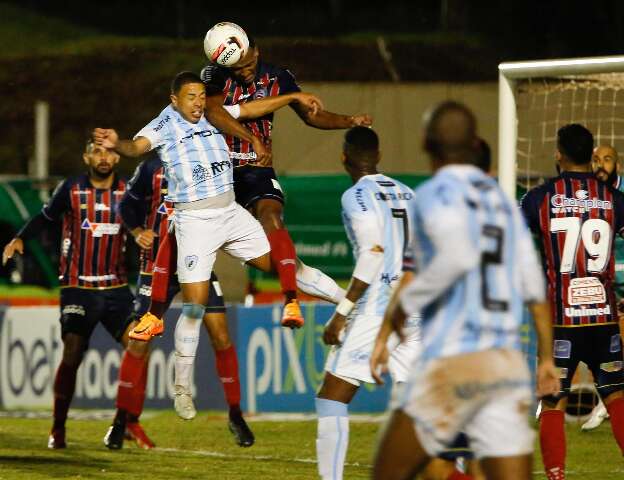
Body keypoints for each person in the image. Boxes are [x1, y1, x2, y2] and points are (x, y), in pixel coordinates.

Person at [103, 91, 325, 449]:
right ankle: (121, 421)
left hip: (198, 255)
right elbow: (128, 205)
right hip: (160, 264)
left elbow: (240, 119)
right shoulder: (151, 167)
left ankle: (235, 415)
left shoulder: (209, 148)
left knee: (221, 335)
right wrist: (137, 230)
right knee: (139, 343)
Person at [369, 101, 559, 480]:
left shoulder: (429, 198)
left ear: (425, 143)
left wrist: (388, 328)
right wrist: (547, 361)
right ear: (474, 144)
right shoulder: (503, 204)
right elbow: (536, 293)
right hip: (504, 365)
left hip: (453, 361)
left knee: (388, 472)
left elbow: (423, 274)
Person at [200, 28, 371, 327]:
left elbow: (311, 114)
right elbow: (216, 113)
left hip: (256, 170)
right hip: (215, 174)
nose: (244, 72)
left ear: (257, 51)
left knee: (273, 217)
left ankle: (295, 302)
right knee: (185, 249)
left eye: (248, 65)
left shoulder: (278, 77)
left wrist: (349, 121)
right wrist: (251, 138)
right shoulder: (213, 75)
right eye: (237, 69)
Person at [1, 140, 146, 449]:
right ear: (86, 156)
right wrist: (20, 238)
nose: (104, 157)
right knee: (73, 352)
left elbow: (146, 226)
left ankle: (122, 424)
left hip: (117, 287)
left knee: (138, 345)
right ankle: (58, 428)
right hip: (78, 286)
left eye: (109, 151)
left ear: (117, 156)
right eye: (97, 151)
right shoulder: (72, 188)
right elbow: (45, 217)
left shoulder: (128, 193)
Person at [315, 126, 421, 480]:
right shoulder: (409, 193)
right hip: (416, 308)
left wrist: (341, 313)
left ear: (344, 156)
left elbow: (373, 253)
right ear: (378, 155)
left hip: (378, 308)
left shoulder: (355, 195)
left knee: (332, 396)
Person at [522, 126, 624, 480]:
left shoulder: (539, 198)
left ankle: (556, 475)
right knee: (616, 397)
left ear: (559, 154)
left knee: (552, 401)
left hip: (562, 321)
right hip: (604, 319)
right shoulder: (614, 199)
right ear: (590, 154)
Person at [581, 145, 622, 431]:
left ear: (617, 163)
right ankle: (606, 400)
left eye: (607, 160)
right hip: (602, 282)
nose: (601, 165)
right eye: (596, 160)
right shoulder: (588, 195)